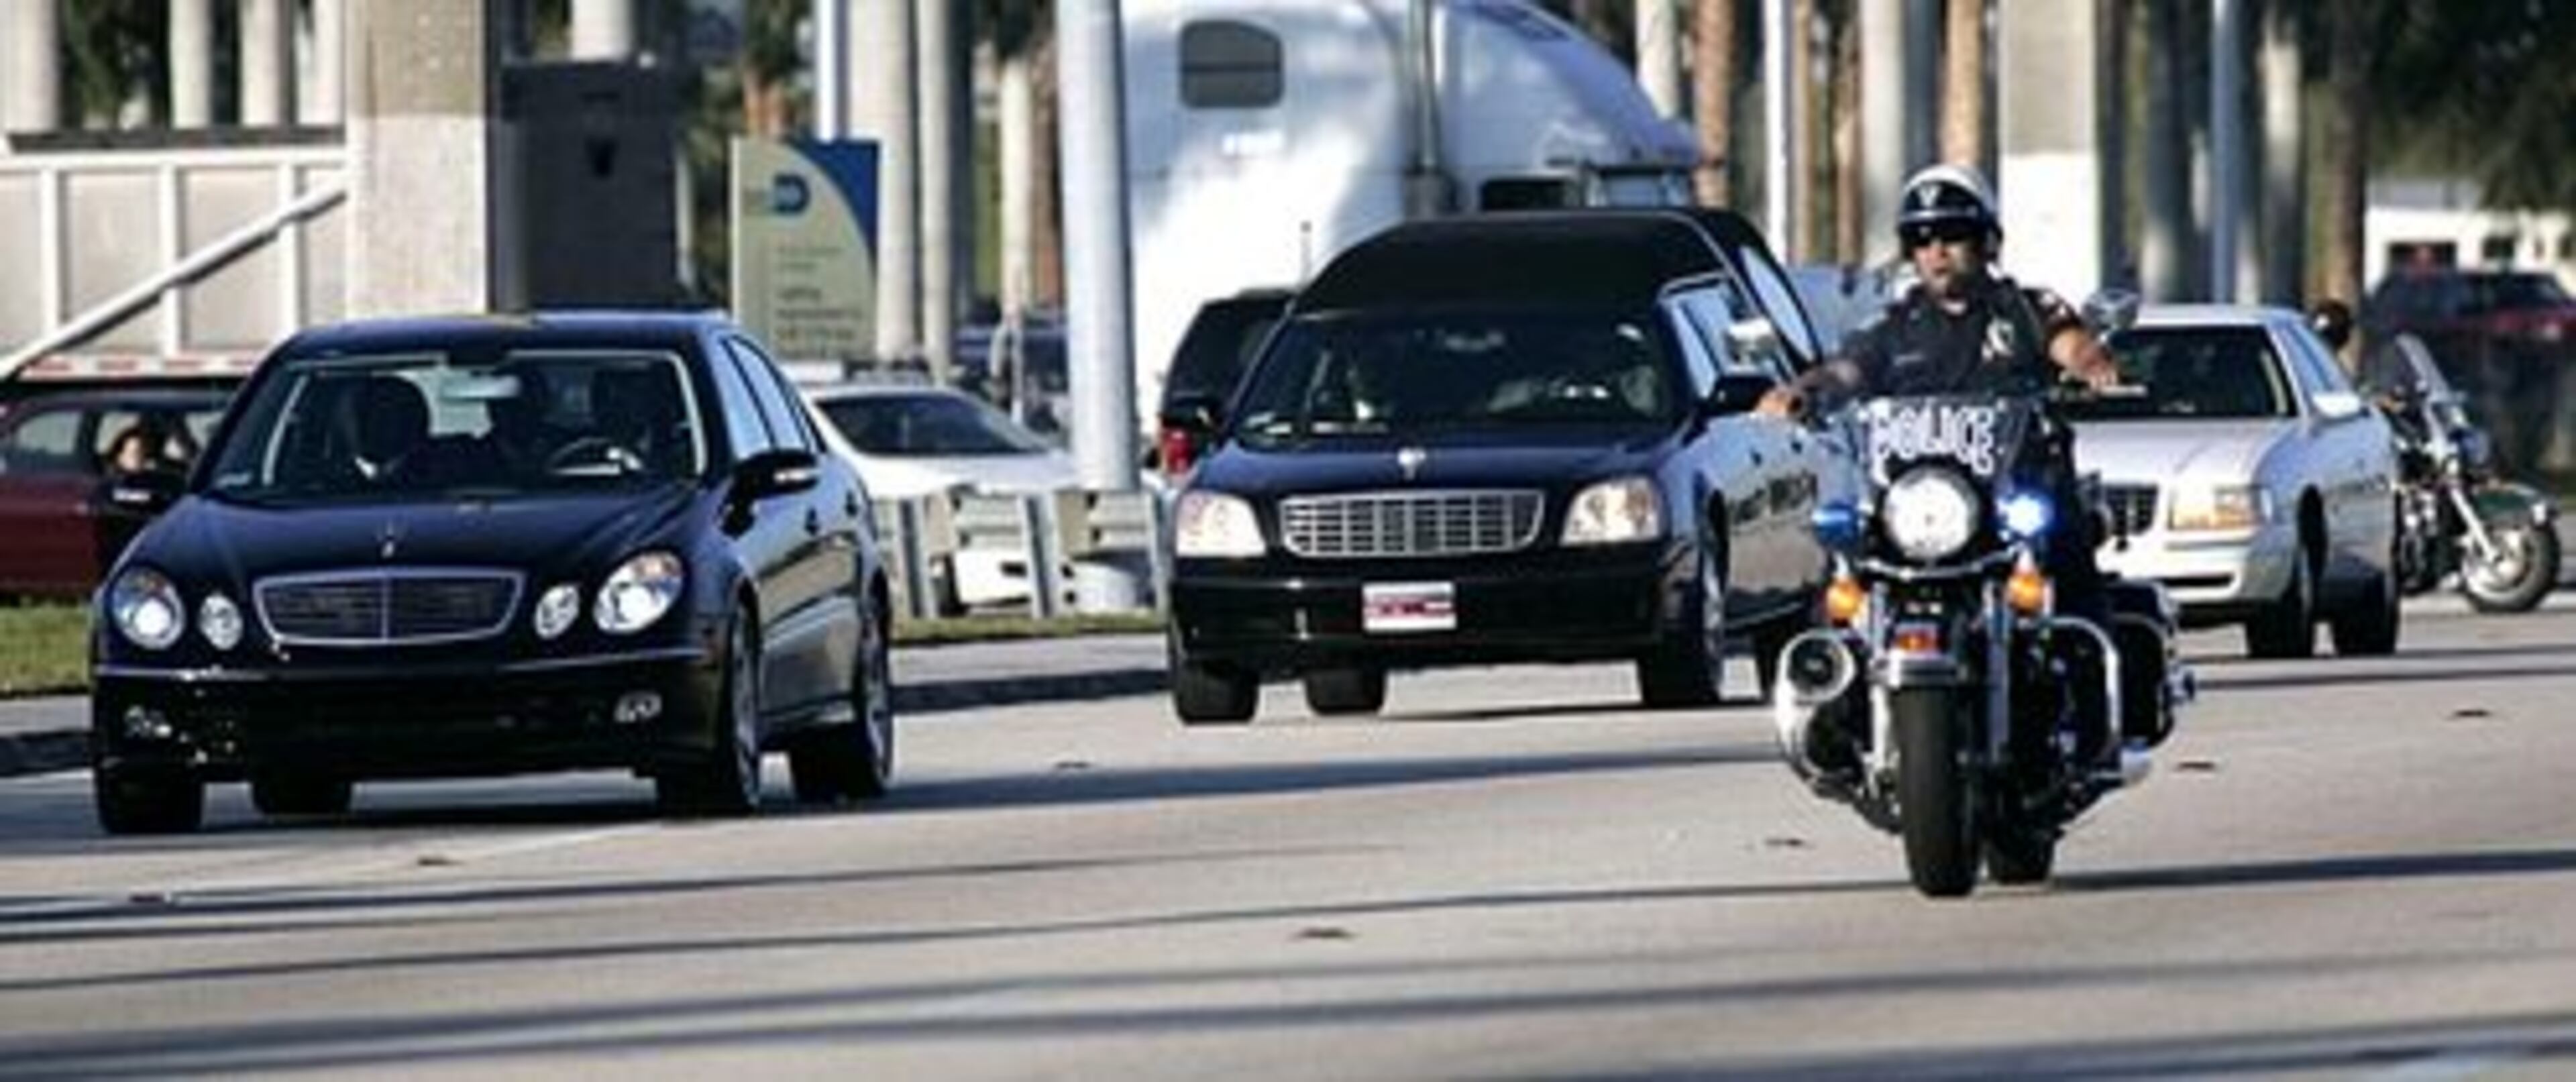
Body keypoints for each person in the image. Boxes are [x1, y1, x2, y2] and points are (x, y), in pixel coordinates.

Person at [1760, 164, 2125, 735]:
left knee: (2069, 559)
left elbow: (2071, 344)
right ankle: (1837, 709)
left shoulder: (2025, 309)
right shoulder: (1894, 325)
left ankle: (2098, 715)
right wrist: (1801, 392)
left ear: (1985, 242)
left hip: (2013, 491)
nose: (1937, 252)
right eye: (1923, 240)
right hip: (1922, 505)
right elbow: (1848, 370)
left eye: (1952, 236)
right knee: (1845, 564)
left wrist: (2093, 366)